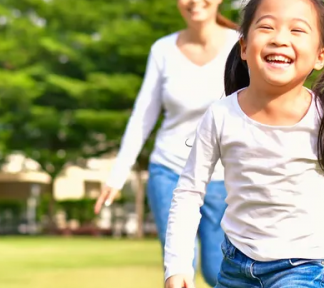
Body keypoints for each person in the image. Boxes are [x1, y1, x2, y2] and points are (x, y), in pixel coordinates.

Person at [163, 0, 324, 287]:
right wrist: (177, 265)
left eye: (297, 30)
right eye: (266, 27)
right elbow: (189, 191)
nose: (279, 38)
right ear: (244, 48)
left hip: (304, 263)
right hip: (236, 262)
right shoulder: (221, 115)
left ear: (320, 56)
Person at [92, 0, 239, 286]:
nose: (195, 2)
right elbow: (143, 116)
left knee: (216, 269)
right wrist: (117, 174)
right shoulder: (162, 50)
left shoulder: (240, 45)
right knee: (179, 268)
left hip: (222, 176)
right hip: (169, 170)